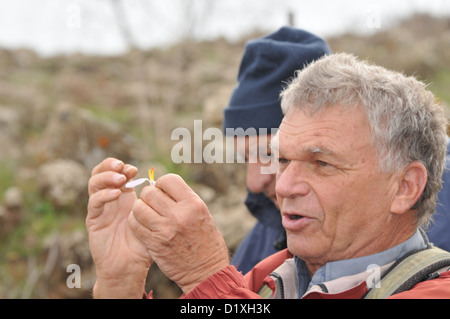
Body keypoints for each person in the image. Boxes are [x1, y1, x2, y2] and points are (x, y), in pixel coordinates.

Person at [87, 53, 450, 298]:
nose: (285, 185)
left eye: (322, 164)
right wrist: (120, 280)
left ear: (405, 187)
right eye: (283, 160)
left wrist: (207, 276)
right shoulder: (273, 276)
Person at [222, 27, 332, 274]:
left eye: (270, 155)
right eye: (246, 158)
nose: (253, 183)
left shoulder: (412, 222)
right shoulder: (268, 228)